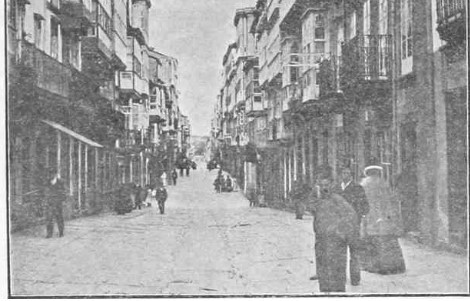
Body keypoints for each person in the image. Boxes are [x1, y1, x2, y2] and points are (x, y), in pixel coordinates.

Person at [306, 166, 358, 292]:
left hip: (336, 241)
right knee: (323, 268)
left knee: (337, 269)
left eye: (327, 185)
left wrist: (342, 232)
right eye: (322, 185)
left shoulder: (338, 199)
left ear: (331, 185)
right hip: (321, 240)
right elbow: (310, 208)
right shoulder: (317, 200)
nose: (325, 187)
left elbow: (351, 216)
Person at [360, 165, 406, 275]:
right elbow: (389, 200)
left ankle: (371, 265)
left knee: (369, 239)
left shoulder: (363, 184)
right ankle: (391, 265)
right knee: (386, 240)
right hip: (382, 216)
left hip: (369, 214)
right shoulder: (383, 183)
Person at [335, 167, 369, 286]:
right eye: (343, 172)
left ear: (351, 175)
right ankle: (340, 277)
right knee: (340, 252)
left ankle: (355, 278)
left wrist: (357, 217)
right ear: (340, 174)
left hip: (353, 225)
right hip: (338, 226)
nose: (345, 175)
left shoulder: (357, 188)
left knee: (354, 252)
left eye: (348, 173)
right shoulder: (336, 188)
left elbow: (365, 206)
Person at [44, 169, 66, 238]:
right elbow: (45, 192)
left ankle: (61, 232)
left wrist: (62, 201)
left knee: (59, 217)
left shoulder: (61, 182)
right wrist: (46, 200)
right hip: (50, 203)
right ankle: (49, 234)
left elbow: (64, 192)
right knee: (49, 218)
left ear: (55, 174)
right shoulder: (47, 182)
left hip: (58, 203)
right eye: (50, 174)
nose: (51, 175)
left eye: (53, 174)